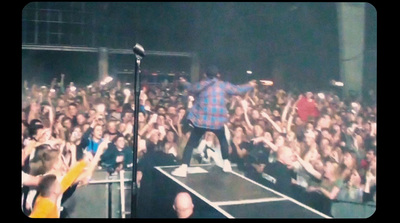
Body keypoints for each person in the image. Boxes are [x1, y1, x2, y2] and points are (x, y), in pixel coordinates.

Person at [171, 65, 257, 177]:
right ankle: (227, 163)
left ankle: (183, 168)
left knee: (191, 143)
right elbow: (238, 89)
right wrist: (250, 85)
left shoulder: (202, 84)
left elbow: (191, 87)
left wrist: (183, 82)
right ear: (218, 75)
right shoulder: (223, 85)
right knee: (223, 140)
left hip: (202, 121)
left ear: (205, 75)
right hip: (217, 121)